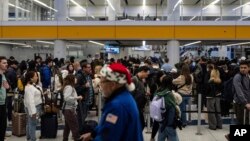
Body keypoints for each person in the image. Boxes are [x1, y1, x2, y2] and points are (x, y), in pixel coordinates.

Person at [81, 63, 143, 141]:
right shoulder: (124, 97)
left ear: (113, 84)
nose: (100, 84)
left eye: (102, 81)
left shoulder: (117, 106)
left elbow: (108, 136)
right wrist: (93, 134)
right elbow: (106, 125)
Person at [157, 74, 179, 141]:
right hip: (169, 121)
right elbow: (172, 108)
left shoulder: (159, 91)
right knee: (173, 137)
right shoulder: (169, 94)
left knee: (161, 137)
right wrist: (171, 123)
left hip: (160, 119)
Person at [62, 74, 83, 141]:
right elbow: (67, 98)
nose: (76, 79)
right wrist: (77, 97)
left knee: (67, 127)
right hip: (69, 109)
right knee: (75, 126)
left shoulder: (70, 87)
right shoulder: (69, 87)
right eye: (75, 78)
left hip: (68, 109)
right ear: (72, 79)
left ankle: (65, 139)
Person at [24, 71, 43, 141]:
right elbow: (30, 101)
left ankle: (29, 137)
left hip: (34, 106)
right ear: (31, 78)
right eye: (35, 76)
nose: (37, 77)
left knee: (29, 122)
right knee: (32, 123)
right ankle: (32, 139)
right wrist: (33, 112)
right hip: (34, 107)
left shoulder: (33, 85)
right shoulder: (29, 88)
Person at [0, 56, 9, 141]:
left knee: (3, 126)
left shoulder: (3, 75)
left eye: (6, 63)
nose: (6, 64)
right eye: (4, 63)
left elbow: (7, 87)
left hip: (3, 103)